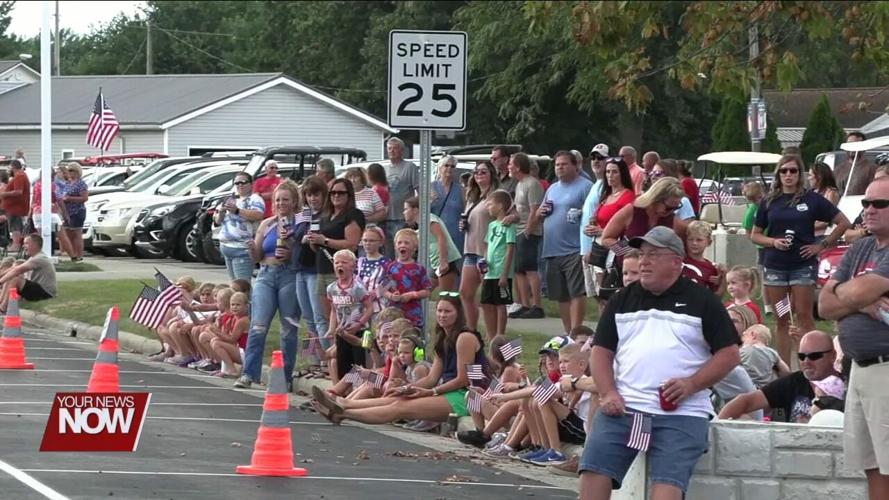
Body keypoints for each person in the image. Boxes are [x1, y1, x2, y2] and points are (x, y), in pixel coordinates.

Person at [581, 226, 740, 500]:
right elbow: (601, 352)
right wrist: (608, 392)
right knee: (593, 473)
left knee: (666, 489)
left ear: (677, 262)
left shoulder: (702, 300)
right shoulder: (622, 299)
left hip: (682, 413)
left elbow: (729, 354)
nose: (644, 261)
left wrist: (692, 384)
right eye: (642, 254)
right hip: (626, 408)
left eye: (653, 254)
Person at [311, 294, 489, 425]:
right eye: (440, 310)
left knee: (398, 405)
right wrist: (407, 388)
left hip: (467, 395)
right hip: (442, 390)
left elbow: (463, 379)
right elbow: (432, 378)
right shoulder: (442, 339)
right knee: (392, 394)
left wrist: (429, 391)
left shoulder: (465, 337)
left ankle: (343, 410)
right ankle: (341, 403)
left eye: (447, 311)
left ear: (459, 314)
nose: (442, 315)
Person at [818, 176, 889, 499]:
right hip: (858, 369)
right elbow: (824, 304)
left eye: (879, 204)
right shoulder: (860, 248)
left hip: (885, 368)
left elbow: (856, 291)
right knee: (871, 463)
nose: (868, 210)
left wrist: (850, 296)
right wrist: (862, 304)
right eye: (865, 203)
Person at [750, 155, 850, 364]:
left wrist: (821, 245)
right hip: (776, 268)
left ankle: (812, 365)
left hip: (802, 268)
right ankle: (785, 368)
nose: (788, 175)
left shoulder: (811, 199)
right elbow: (755, 234)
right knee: (782, 318)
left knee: (804, 316)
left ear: (800, 174)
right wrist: (772, 242)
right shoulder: (769, 201)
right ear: (778, 174)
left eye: (793, 171)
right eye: (784, 171)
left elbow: (843, 222)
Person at [234, 181, 302, 390]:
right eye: (277, 199)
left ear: (294, 202)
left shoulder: (301, 223)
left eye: (285, 199)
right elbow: (258, 256)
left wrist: (291, 251)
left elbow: (306, 253)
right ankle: (248, 373)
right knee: (258, 325)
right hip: (266, 274)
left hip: (289, 275)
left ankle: (284, 377)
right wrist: (252, 249)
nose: (281, 203)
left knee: (288, 329)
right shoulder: (267, 224)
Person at [531, 151, 592, 334]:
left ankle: (576, 331)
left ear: (576, 166)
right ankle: (568, 333)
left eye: (564, 164)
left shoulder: (585, 186)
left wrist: (580, 213)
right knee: (561, 296)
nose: (560, 168)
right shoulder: (552, 188)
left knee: (576, 293)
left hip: (574, 247)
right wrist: (540, 213)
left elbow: (593, 213)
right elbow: (537, 217)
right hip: (552, 248)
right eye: (557, 165)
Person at [719, 330, 838, 423]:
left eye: (814, 356)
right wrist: (717, 428)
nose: (806, 361)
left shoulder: (847, 384)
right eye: (801, 356)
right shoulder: (794, 382)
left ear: (833, 356)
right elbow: (744, 401)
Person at [303, 178, 366, 342]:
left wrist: (324, 240)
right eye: (333, 192)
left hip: (340, 272)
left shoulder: (353, 215)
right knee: (326, 317)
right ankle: (330, 355)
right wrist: (314, 241)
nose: (336, 195)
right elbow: (318, 246)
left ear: (349, 195)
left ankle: (345, 354)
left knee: (344, 316)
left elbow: (352, 244)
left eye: (341, 192)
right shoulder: (326, 216)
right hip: (322, 269)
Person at [586, 157, 635, 306]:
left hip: (615, 247)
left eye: (614, 172)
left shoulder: (627, 196)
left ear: (622, 174)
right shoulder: (606, 196)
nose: (610, 175)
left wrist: (601, 230)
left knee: (609, 291)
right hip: (598, 246)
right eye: (607, 172)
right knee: (599, 293)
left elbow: (626, 226)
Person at [460, 161, 499, 330]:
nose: (479, 175)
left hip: (487, 252)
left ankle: (494, 338)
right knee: (465, 293)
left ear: (491, 174)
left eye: (483, 172)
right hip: (470, 250)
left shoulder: (497, 195)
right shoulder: (472, 196)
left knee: (489, 299)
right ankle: (471, 331)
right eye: (476, 172)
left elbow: (513, 215)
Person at [294, 176, 330, 366]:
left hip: (316, 270)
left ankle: (327, 360)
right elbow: (297, 233)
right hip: (301, 268)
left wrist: (313, 239)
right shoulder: (305, 214)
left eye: (316, 194)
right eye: (309, 195)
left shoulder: (326, 215)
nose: (312, 199)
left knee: (319, 317)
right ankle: (312, 360)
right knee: (307, 318)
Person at [600, 177, 688, 249]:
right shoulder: (632, 211)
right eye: (669, 207)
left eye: (677, 207)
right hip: (628, 267)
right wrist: (627, 250)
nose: (672, 211)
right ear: (656, 199)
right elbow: (606, 238)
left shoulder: (673, 220)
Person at [507, 152, 545, 319]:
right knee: (518, 270)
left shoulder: (532, 184)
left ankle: (537, 305)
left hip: (528, 232)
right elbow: (518, 208)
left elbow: (534, 210)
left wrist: (528, 231)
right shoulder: (519, 184)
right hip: (517, 231)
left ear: (518, 166)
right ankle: (524, 304)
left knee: (530, 269)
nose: (508, 167)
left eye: (510, 164)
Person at [326, 249, 374, 380]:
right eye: (337, 263)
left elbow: (370, 308)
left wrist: (359, 324)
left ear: (353, 266)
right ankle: (344, 394)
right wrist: (331, 329)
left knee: (359, 365)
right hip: (342, 332)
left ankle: (359, 393)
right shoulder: (331, 289)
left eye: (344, 262)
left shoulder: (358, 288)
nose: (339, 265)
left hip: (361, 332)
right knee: (344, 366)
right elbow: (334, 310)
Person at [403, 196, 460, 292]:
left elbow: (441, 237)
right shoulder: (421, 227)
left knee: (445, 296)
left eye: (406, 209)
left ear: (415, 210)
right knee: (423, 291)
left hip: (445, 261)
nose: (404, 212)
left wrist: (443, 261)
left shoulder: (429, 219)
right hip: (434, 263)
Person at [215, 171, 265, 280]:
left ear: (251, 184)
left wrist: (237, 211)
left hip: (242, 248)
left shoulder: (255, 199)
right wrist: (221, 213)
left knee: (242, 286)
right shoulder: (229, 198)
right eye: (237, 183)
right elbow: (218, 221)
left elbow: (258, 215)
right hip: (226, 246)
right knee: (234, 286)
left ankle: (248, 298)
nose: (240, 185)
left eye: (243, 182)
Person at [480, 190, 515, 340]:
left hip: (501, 271)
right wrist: (483, 261)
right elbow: (488, 245)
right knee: (487, 303)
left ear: (500, 206)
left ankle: (500, 335)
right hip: (490, 271)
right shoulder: (491, 225)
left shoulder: (509, 226)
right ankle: (491, 333)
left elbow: (510, 248)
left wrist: (504, 274)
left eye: (491, 204)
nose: (488, 207)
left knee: (500, 304)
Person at [381, 229, 432, 329]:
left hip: (413, 315)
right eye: (399, 242)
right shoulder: (390, 267)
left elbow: (427, 291)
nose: (402, 245)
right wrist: (391, 296)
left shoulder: (419, 269)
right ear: (395, 246)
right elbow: (382, 289)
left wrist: (413, 295)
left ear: (414, 247)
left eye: (407, 243)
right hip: (393, 314)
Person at [578, 148, 608, 304]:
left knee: (602, 293)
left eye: (601, 158)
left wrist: (592, 248)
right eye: (593, 158)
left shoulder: (607, 186)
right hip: (586, 246)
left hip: (596, 246)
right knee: (596, 295)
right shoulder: (596, 184)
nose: (596, 161)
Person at [0, 234, 56, 312]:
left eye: (26, 243)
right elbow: (14, 269)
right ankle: (1, 303)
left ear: (35, 245)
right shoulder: (32, 258)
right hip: (37, 289)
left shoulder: (40, 258)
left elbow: (17, 270)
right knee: (11, 277)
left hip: (46, 293)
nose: (23, 246)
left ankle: (3, 308)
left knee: (15, 279)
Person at [383, 137, 419, 258]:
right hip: (385, 218)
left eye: (395, 148)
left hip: (403, 219)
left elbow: (420, 191)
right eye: (389, 148)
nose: (392, 151)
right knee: (388, 255)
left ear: (402, 151)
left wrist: (415, 216)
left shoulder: (410, 167)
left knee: (403, 254)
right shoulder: (384, 169)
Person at [30, 169, 72, 258]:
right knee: (62, 235)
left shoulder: (36, 185)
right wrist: (65, 214)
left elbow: (33, 200)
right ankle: (74, 257)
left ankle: (40, 255)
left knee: (41, 237)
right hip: (50, 213)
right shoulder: (53, 185)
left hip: (37, 213)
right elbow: (59, 200)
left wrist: (30, 213)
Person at [208, 291, 250, 378]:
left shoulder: (243, 320)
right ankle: (225, 370)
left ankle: (232, 370)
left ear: (246, 306)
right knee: (216, 340)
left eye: (238, 305)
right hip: (240, 350)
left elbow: (232, 340)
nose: (234, 307)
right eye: (232, 304)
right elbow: (226, 337)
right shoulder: (235, 318)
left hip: (246, 353)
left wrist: (216, 332)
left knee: (217, 343)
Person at [430, 155, 465, 253]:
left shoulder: (461, 189)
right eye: (446, 165)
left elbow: (466, 212)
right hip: (435, 235)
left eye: (452, 166)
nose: (449, 168)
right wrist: (430, 201)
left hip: (455, 235)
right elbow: (422, 212)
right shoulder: (430, 187)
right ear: (440, 168)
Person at [740, 324, 790, 389]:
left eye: (744, 336)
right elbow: (786, 372)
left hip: (750, 389)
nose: (742, 343)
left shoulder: (742, 352)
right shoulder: (771, 352)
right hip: (769, 389)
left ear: (753, 335)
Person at [682, 220, 726, 295]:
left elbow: (715, 299)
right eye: (690, 239)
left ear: (709, 242)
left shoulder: (712, 268)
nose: (694, 243)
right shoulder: (679, 262)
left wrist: (724, 278)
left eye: (699, 240)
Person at [58, 163, 88, 262]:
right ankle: (73, 255)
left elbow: (84, 198)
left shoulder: (81, 183)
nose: (70, 173)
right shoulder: (67, 183)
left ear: (77, 172)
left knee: (77, 233)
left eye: (72, 170)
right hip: (67, 212)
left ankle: (79, 255)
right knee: (67, 233)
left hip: (78, 211)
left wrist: (70, 198)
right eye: (69, 170)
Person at [0, 159, 31, 253]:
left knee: (15, 226)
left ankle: (16, 245)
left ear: (13, 167)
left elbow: (18, 192)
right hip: (13, 207)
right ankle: (15, 243)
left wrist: (4, 194)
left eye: (9, 167)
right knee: (13, 226)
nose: (9, 170)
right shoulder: (20, 176)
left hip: (16, 207)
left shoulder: (20, 176)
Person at [809, 161, 841, 239]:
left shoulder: (831, 193)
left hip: (823, 235)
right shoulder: (812, 192)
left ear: (819, 176)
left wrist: (805, 226)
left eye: (810, 175)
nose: (808, 178)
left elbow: (828, 220)